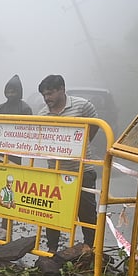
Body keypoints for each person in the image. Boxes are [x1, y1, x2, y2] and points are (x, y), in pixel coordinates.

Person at [37, 74, 99, 252]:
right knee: (53, 211)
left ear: (62, 89)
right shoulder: (42, 113)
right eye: (44, 95)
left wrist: (79, 146)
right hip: (56, 170)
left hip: (82, 169)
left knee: (86, 210)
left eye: (50, 94)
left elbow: (94, 127)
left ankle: (89, 247)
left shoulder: (82, 106)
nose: (47, 98)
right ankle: (52, 249)